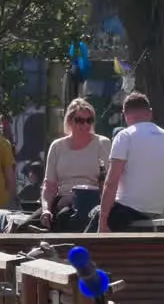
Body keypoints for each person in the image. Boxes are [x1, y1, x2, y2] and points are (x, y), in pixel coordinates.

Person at [92, 92, 164, 233]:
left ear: (124, 115)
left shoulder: (124, 136)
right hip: (158, 209)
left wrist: (102, 222)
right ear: (150, 113)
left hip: (129, 211)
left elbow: (111, 181)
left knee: (95, 215)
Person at [40, 99, 111, 231]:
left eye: (89, 120)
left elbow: (108, 182)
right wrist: (46, 210)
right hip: (63, 200)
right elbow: (49, 185)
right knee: (26, 226)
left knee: (68, 218)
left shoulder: (102, 144)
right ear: (70, 120)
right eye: (79, 120)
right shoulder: (57, 146)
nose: (85, 125)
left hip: (92, 202)